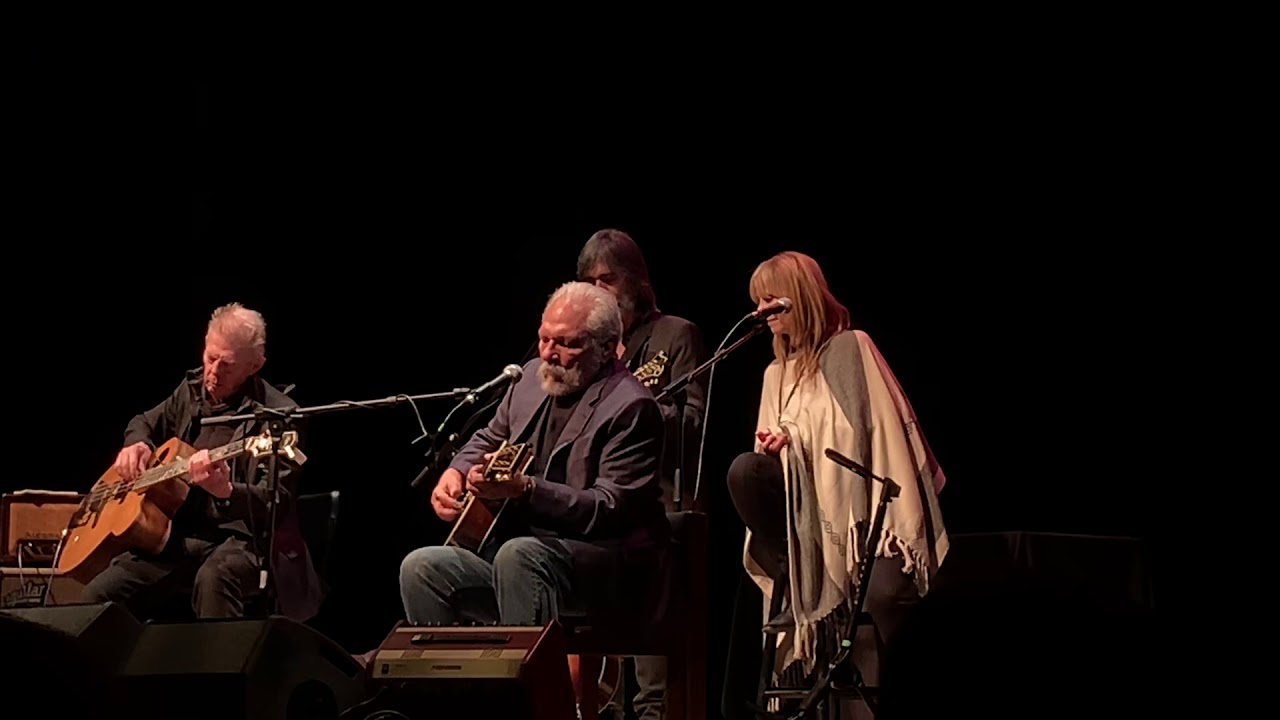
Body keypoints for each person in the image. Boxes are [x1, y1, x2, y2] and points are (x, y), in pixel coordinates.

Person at [721, 252, 949, 718]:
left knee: (886, 594)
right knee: (745, 470)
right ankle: (795, 563)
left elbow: (868, 436)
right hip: (802, 519)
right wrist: (775, 446)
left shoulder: (851, 349)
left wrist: (798, 438)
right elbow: (773, 444)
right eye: (756, 302)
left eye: (771, 300)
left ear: (800, 298)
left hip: (864, 516)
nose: (762, 312)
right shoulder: (773, 376)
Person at [399, 281, 669, 631]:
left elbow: (610, 508)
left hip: (604, 567)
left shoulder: (631, 407)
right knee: (421, 567)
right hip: (521, 557)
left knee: (519, 556)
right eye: (544, 338)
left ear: (606, 349)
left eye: (566, 343)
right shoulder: (529, 380)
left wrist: (527, 490)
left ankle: (523, 686)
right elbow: (489, 436)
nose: (548, 353)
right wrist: (456, 470)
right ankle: (451, 686)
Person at [80, 302, 324, 622]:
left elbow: (275, 501)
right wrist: (135, 444)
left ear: (255, 365)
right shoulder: (191, 391)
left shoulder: (279, 417)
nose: (213, 372)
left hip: (245, 541)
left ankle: (218, 672)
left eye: (227, 364)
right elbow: (143, 422)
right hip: (178, 535)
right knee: (95, 599)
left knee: (213, 581)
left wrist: (226, 491)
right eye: (210, 358)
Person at [576, 229, 708, 720]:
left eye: (607, 279)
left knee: (656, 673)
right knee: (601, 672)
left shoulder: (676, 334)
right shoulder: (587, 348)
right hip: (601, 513)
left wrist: (635, 412)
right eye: (589, 281)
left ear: (633, 280)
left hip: (662, 509)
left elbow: (696, 420)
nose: (597, 291)